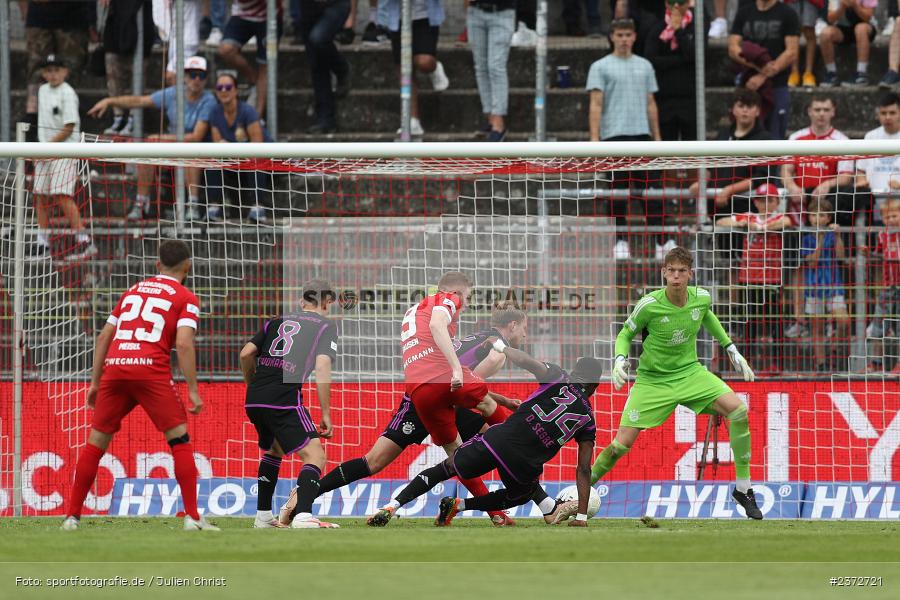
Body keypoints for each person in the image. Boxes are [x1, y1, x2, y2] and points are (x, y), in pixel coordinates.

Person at [281, 306, 574, 525]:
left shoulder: (479, 338)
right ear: (512, 325)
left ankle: (305, 495)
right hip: (440, 401)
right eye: (524, 329)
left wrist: (499, 400)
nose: (525, 334)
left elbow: (464, 380)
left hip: (422, 396)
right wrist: (497, 403)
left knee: (374, 462)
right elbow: (464, 386)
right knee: (498, 444)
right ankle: (540, 507)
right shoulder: (497, 349)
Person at [591, 246, 764, 520]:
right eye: (671, 271)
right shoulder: (649, 304)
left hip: (690, 373)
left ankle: (744, 489)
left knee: (739, 410)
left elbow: (705, 315)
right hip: (653, 382)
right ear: (663, 273)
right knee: (620, 446)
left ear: (690, 274)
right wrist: (619, 359)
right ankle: (582, 490)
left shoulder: (701, 298)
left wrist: (730, 347)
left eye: (681, 271)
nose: (676, 276)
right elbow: (625, 332)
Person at [62, 240, 219, 531]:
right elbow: (183, 343)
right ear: (188, 267)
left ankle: (71, 517)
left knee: (96, 443)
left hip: (116, 368)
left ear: (157, 265)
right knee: (179, 441)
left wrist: (96, 383)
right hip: (150, 371)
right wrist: (194, 390)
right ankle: (193, 518)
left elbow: (103, 337)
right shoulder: (186, 297)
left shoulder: (131, 292)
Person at [367, 349, 603, 528]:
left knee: (447, 467)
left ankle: (392, 505)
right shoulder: (588, 420)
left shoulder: (558, 377)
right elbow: (583, 468)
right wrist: (582, 517)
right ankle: (460, 505)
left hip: (498, 439)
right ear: (595, 385)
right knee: (519, 495)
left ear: (574, 372)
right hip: (524, 465)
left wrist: (501, 346)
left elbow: (526, 361)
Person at [239, 278, 340, 529]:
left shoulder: (275, 321)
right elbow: (323, 365)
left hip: (255, 398)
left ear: (301, 301)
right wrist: (326, 412)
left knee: (274, 450)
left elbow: (245, 353)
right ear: (326, 302)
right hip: (283, 398)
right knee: (315, 455)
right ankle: (304, 515)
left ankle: (263, 517)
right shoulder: (325, 325)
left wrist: (252, 384)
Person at [87, 56, 217, 220]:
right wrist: (110, 100)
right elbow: (140, 100)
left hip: (199, 150)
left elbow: (196, 136)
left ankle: (193, 204)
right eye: (192, 74)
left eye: (201, 75)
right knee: (148, 148)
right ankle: (141, 203)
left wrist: (161, 138)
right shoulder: (174, 93)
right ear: (184, 76)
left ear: (206, 79)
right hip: (174, 147)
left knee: (189, 151)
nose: (196, 79)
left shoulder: (209, 100)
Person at [586, 17, 661, 261]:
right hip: (613, 136)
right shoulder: (600, 66)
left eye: (628, 35)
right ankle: (620, 239)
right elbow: (596, 103)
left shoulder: (645, 65)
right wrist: (595, 139)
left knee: (650, 191)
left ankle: (660, 241)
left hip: (641, 135)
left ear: (634, 37)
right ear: (612, 37)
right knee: (617, 192)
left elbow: (651, 102)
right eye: (619, 35)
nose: (624, 40)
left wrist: (658, 138)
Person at [782, 95, 856, 340]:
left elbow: (846, 178)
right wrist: (791, 185)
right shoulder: (797, 138)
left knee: (832, 258)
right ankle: (800, 318)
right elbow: (786, 170)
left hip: (827, 209)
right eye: (817, 109)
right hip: (799, 209)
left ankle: (831, 320)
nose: (821, 113)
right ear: (809, 111)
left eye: (826, 109)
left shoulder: (842, 140)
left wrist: (827, 183)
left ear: (833, 111)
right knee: (797, 266)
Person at [716, 183, 794, 377]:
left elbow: (787, 222)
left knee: (775, 323)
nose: (765, 204)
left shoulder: (778, 217)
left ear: (777, 202)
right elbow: (721, 222)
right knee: (749, 323)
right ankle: (747, 362)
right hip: (749, 278)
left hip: (772, 279)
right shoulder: (749, 217)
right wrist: (741, 223)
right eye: (761, 200)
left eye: (769, 200)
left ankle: (777, 364)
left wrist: (762, 226)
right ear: (755, 202)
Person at [30, 54, 95, 262]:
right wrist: (42, 149)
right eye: (48, 70)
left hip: (64, 150)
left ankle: (84, 241)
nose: (53, 74)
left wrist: (46, 148)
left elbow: (69, 127)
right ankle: (43, 245)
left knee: (61, 195)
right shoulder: (41, 90)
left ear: (65, 71)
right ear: (43, 73)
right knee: (39, 196)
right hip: (45, 151)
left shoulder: (68, 93)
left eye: (57, 69)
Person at [691, 88, 773, 218]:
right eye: (741, 106)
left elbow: (760, 177)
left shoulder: (765, 139)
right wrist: (701, 183)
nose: (745, 110)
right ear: (733, 109)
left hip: (747, 209)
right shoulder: (723, 134)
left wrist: (729, 190)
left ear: (757, 111)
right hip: (717, 208)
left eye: (750, 106)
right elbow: (709, 167)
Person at [204, 72, 273, 222]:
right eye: (220, 87)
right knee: (212, 158)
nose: (224, 90)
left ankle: (258, 207)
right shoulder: (215, 112)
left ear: (236, 90)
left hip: (260, 161)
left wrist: (232, 150)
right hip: (234, 160)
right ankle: (214, 207)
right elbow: (217, 145)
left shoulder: (248, 112)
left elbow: (258, 146)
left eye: (228, 87)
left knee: (256, 158)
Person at [21, 0, 91, 141]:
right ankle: (33, 130)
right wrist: (24, 9)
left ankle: (67, 129)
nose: (52, 75)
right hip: (39, 16)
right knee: (36, 77)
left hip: (73, 17)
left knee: (69, 78)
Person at [729, 0, 800, 139]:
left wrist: (762, 76)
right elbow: (733, 48)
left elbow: (791, 51)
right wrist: (755, 66)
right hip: (747, 84)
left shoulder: (788, 13)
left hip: (776, 85)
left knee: (774, 139)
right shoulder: (744, 12)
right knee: (742, 136)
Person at [379, 0, 451, 137]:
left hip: (425, 17)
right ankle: (412, 119)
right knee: (404, 68)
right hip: (398, 18)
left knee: (424, 61)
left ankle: (434, 68)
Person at [797, 198, 850, 372]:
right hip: (814, 289)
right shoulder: (806, 238)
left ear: (828, 218)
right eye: (813, 214)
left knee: (844, 322)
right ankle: (821, 364)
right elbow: (811, 262)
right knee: (817, 329)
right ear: (809, 217)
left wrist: (838, 236)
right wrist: (819, 240)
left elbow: (841, 257)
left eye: (822, 215)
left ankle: (834, 348)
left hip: (834, 285)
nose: (817, 218)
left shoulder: (832, 235)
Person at [218, 0, 283, 119]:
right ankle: (255, 80)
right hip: (241, 14)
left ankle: (256, 118)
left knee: (266, 65)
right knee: (226, 50)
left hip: (270, 17)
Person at [99, 0, 155, 135]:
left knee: (137, 80)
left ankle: (133, 119)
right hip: (115, 30)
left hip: (140, 29)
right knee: (113, 78)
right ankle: (118, 118)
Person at [299, 0, 352, 134]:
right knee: (316, 63)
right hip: (308, 9)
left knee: (318, 39)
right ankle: (326, 119)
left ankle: (341, 68)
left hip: (335, 4)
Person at [468, 0, 515, 142]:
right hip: (475, 11)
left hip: (503, 11)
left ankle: (498, 122)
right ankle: (490, 117)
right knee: (481, 67)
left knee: (496, 66)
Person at [864, 198, 900, 373]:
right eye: (887, 217)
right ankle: (875, 363)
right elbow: (880, 254)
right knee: (878, 326)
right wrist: (868, 253)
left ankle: (898, 365)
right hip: (887, 287)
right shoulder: (882, 234)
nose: (891, 219)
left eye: (894, 215)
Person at [819, 0, 877, 87]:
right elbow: (830, 19)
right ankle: (831, 73)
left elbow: (867, 17)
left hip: (864, 27)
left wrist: (855, 6)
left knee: (860, 28)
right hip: (843, 29)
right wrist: (842, 8)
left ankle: (861, 73)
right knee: (825, 34)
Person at [785, 0, 822, 88]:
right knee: (793, 32)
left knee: (809, 30)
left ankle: (808, 73)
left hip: (811, 2)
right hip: (791, 2)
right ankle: (794, 72)